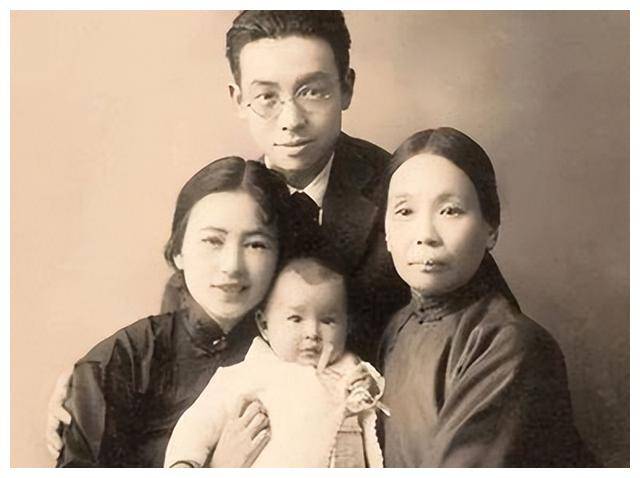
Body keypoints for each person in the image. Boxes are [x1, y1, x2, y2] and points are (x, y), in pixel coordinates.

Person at [47, 10, 407, 459]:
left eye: (312, 91)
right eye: (266, 96)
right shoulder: (232, 203)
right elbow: (185, 355)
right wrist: (93, 389)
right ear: (238, 98)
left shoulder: (405, 194)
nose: (290, 119)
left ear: (346, 87)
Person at [379, 127, 598, 467]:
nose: (425, 235)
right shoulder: (396, 329)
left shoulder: (511, 345)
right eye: (405, 211)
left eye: (450, 210)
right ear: (386, 232)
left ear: (491, 228)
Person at [56, 157, 292, 467]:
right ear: (178, 251)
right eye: (213, 241)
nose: (232, 266)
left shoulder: (298, 351)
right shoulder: (119, 362)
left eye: (256, 244)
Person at [164, 254, 386, 468]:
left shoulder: (351, 369)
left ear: (347, 325)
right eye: (295, 319)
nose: (312, 332)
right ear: (264, 325)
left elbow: (374, 416)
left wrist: (368, 388)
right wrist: (184, 463)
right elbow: (199, 421)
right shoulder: (248, 373)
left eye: (328, 320)